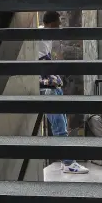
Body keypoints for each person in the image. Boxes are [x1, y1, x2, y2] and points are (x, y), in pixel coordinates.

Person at [39, 10, 88, 174]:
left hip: (51, 86)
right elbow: (41, 64)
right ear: (51, 23)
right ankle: (68, 163)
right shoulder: (40, 36)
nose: (60, 25)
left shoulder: (47, 37)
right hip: (46, 88)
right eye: (58, 22)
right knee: (59, 124)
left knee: (62, 123)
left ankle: (65, 160)